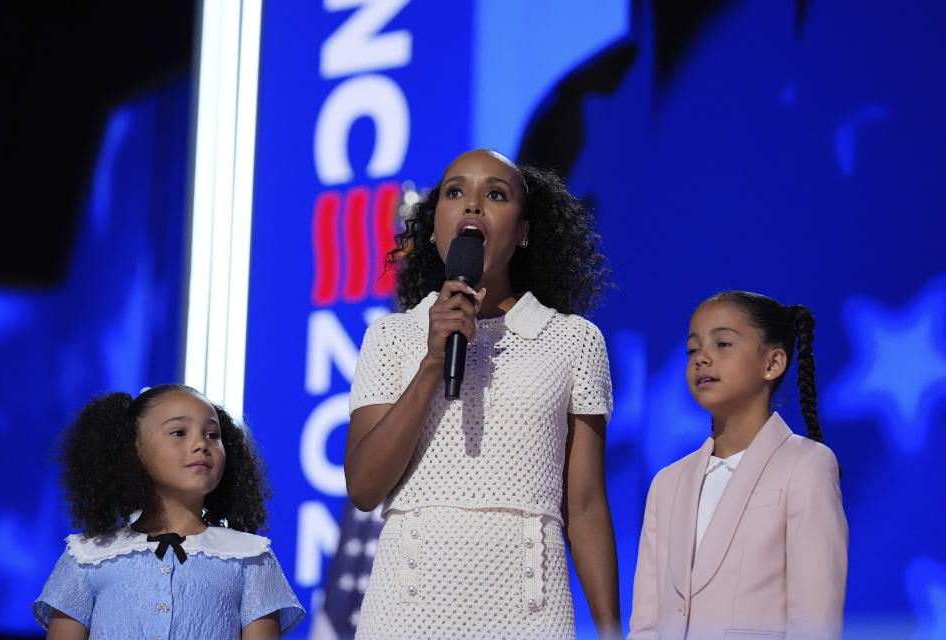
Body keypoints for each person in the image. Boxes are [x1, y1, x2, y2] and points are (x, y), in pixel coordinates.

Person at [345, 148, 620, 639]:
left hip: (530, 611)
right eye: (455, 192)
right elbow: (364, 487)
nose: (473, 205)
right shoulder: (392, 336)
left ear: (525, 231)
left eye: (495, 194)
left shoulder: (575, 340)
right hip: (406, 611)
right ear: (433, 229)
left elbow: (585, 506)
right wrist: (432, 361)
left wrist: (612, 630)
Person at [628, 291, 848, 639]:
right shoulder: (667, 484)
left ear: (772, 363)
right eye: (693, 349)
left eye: (723, 344)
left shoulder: (807, 466)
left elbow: (816, 621)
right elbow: (646, 623)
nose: (702, 359)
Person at [34, 384, 304, 639]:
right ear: (132, 449)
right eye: (179, 433)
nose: (202, 444)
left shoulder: (251, 557)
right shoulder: (87, 557)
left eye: (213, 435)